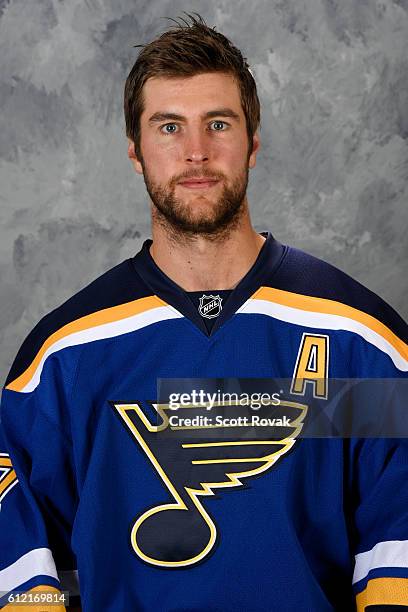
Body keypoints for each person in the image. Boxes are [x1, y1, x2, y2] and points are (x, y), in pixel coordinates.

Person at [1, 12, 407, 612]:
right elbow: (20, 538)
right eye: (169, 127)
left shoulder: (357, 340)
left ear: (253, 140)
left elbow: (394, 537)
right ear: (136, 151)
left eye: (218, 123)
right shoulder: (68, 356)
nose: (196, 152)